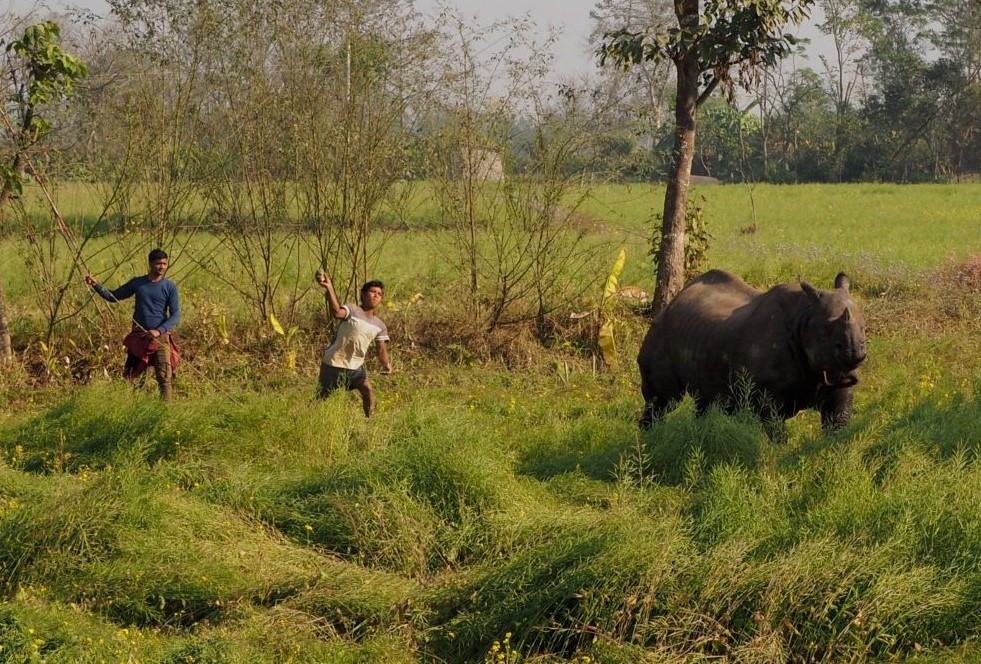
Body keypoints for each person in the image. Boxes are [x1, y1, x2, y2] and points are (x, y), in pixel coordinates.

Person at [85, 248, 181, 401]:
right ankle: (132, 407)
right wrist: (96, 285)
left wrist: (158, 331)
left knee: (164, 378)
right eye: (158, 263)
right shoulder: (138, 283)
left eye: (164, 263)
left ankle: (166, 413)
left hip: (160, 339)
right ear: (150, 264)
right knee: (131, 377)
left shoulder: (169, 287)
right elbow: (113, 296)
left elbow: (176, 315)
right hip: (139, 338)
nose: (162, 267)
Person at [316, 270, 392, 417]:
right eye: (372, 292)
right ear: (363, 294)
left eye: (379, 294)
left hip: (355, 367)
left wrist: (386, 364)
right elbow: (337, 313)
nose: (376, 295)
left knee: (367, 389)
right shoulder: (352, 310)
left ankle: (370, 421)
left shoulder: (379, 325)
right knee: (322, 397)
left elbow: (381, 349)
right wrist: (329, 287)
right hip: (333, 363)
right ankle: (307, 419)